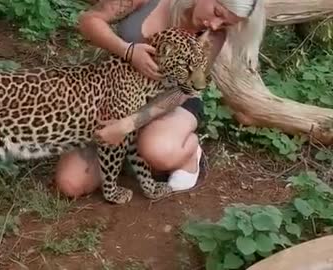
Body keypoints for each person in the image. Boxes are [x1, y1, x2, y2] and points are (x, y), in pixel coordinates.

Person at [54, 0, 266, 198]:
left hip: (172, 97)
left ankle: (189, 152)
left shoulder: (213, 36)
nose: (214, 24)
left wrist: (127, 124)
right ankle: (131, 148)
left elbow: (184, 90)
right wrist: (128, 52)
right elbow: (89, 20)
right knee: (71, 183)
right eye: (217, 12)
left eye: (225, 24)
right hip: (115, 90)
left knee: (158, 150)